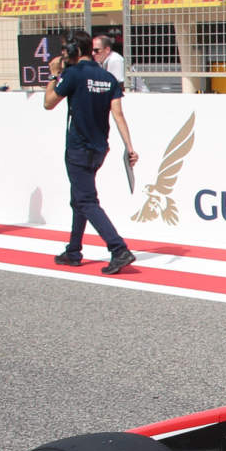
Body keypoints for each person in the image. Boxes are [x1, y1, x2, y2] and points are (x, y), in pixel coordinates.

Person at [43, 35, 139, 274]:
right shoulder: (108, 78)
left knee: (86, 201)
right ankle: (73, 251)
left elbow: (48, 103)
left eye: (66, 53)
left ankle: (118, 248)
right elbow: (118, 114)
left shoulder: (73, 74)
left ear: (75, 51)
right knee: (79, 199)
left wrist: (54, 75)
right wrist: (129, 147)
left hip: (78, 148)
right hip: (99, 148)